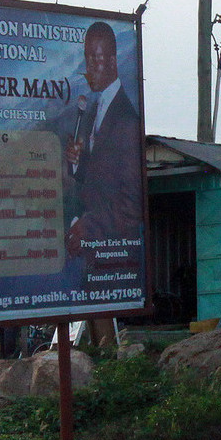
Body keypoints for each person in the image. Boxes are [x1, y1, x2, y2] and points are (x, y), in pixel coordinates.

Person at [63, 21, 143, 261]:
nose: (90, 68)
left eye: (95, 61)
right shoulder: (94, 110)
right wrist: (77, 164)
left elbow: (130, 206)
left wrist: (88, 227)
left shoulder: (126, 121)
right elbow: (97, 178)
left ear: (112, 62)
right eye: (87, 60)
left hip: (116, 259)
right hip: (93, 254)